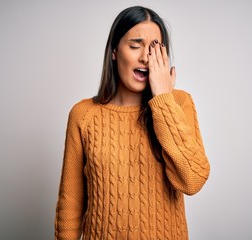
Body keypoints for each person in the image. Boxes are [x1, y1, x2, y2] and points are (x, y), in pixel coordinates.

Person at [54, 6, 210, 240]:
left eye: (155, 48)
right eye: (135, 45)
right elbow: (71, 203)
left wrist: (162, 100)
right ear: (115, 51)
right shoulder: (83, 114)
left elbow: (193, 180)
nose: (146, 57)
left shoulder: (178, 103)